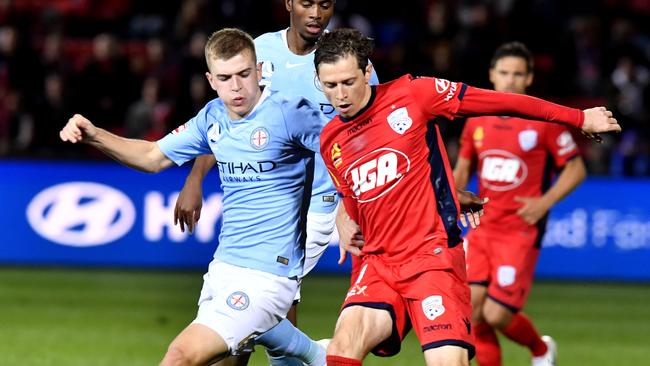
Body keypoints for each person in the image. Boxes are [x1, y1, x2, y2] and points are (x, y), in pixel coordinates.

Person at [314, 28, 620, 366]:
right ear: (318, 81)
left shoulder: (414, 94)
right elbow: (356, 206)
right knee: (342, 346)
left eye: (348, 82)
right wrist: (345, 223)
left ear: (367, 71)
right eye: (330, 85)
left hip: (431, 259)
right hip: (378, 266)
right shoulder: (331, 140)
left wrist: (578, 117)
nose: (341, 95)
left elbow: (503, 101)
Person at [59, 28, 328, 366]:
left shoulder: (291, 113)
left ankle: (313, 353)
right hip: (224, 268)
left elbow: (343, 152)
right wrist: (95, 135)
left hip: (269, 275)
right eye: (225, 77)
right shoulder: (212, 117)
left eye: (245, 74)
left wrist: (349, 212)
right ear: (210, 80)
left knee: (180, 356)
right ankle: (318, 355)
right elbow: (152, 157)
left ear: (259, 71)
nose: (236, 86)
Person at [173, 0, 378, 331]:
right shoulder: (258, 52)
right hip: (263, 205)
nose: (315, 14)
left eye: (324, 5)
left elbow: (370, 139)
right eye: (306, 4)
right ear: (288, 4)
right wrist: (195, 178)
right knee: (266, 313)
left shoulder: (347, 63)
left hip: (314, 208)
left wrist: (347, 207)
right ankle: (315, 356)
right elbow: (229, 120)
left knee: (248, 311)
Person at [452, 42, 587, 366]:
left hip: (520, 231)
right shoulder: (477, 121)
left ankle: (540, 350)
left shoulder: (544, 120)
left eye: (517, 74)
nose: (510, 80)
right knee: (471, 311)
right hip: (483, 228)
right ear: (492, 76)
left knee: (497, 313)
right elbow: (464, 166)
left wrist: (544, 202)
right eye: (504, 73)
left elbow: (577, 168)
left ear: (528, 79)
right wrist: (453, 196)